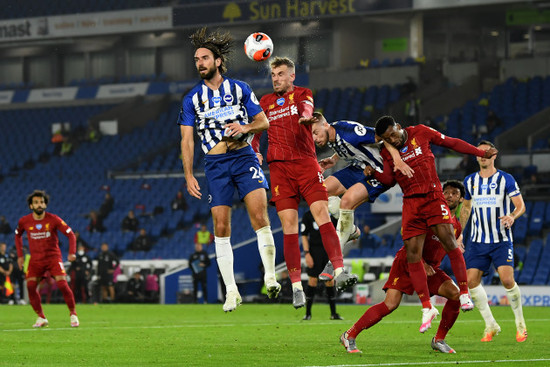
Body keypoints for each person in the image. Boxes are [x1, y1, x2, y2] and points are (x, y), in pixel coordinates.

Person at [177, 27, 280, 312]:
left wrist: (245, 127)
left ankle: (270, 276)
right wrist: (188, 174)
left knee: (260, 215)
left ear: (218, 61)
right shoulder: (191, 99)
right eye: (196, 59)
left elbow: (264, 122)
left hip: (244, 157)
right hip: (215, 165)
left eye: (205, 58)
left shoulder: (240, 88)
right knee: (221, 228)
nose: (199, 63)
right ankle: (231, 291)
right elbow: (186, 139)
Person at [367, 116, 497, 332]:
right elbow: (389, 179)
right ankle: (427, 307)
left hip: (433, 197)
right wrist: (374, 172)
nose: (394, 140)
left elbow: (452, 142)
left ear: (399, 127)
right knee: (413, 256)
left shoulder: (420, 132)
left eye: (394, 134)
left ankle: (464, 293)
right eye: (388, 138)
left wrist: (479, 152)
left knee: (450, 242)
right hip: (410, 202)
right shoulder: (387, 152)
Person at [252, 56, 357, 309]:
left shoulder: (302, 94)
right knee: (288, 225)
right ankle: (297, 287)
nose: (276, 78)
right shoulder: (265, 102)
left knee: (321, 214)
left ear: (292, 76)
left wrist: (305, 118)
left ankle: (340, 270)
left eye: (280, 74)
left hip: (305, 163)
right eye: (273, 74)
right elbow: (256, 129)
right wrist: (255, 149)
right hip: (279, 169)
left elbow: (308, 108)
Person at [340, 180, 467, 354]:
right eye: (447, 192)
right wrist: (421, 262)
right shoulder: (429, 215)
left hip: (431, 270)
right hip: (408, 262)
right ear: (441, 194)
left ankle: (439, 340)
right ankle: (349, 335)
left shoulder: (456, 227)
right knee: (390, 304)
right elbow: (410, 243)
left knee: (456, 295)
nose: (450, 196)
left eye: (455, 194)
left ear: (461, 200)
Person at [310, 112, 411, 259]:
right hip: (358, 168)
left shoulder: (350, 131)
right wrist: (334, 159)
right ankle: (350, 229)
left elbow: (383, 136)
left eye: (315, 133)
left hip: (376, 169)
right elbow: (347, 146)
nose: (314, 139)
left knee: (346, 202)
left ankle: (336, 258)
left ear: (326, 125)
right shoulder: (330, 136)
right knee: (319, 192)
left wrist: (397, 159)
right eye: (311, 135)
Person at [460, 140, 528, 343]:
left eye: (487, 153)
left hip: (500, 239)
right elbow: (465, 209)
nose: (482, 156)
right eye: (479, 153)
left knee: (507, 280)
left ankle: (520, 324)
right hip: (478, 240)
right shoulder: (470, 181)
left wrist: (511, 217)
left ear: (494, 155)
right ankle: (491, 324)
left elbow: (520, 206)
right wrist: (459, 233)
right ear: (475, 156)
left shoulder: (506, 179)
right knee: (471, 281)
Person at [14, 190, 79, 328]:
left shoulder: (53, 219)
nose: (39, 205)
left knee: (62, 284)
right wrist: (20, 256)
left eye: (42, 202)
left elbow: (71, 234)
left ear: (45, 204)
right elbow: (17, 235)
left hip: (53, 258)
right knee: (30, 286)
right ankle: (41, 317)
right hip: (35, 260)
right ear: (31, 206)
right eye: (36, 202)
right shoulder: (24, 221)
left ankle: (73, 314)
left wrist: (72, 252)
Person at [300, 210, 342, 320]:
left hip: (328, 251)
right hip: (314, 252)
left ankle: (334, 314)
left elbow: (338, 233)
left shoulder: (332, 214)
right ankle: (308, 314)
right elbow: (304, 235)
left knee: (330, 281)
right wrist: (307, 253)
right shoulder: (308, 215)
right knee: (312, 280)